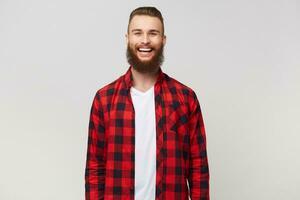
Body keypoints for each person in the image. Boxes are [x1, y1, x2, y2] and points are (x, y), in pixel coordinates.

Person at [85, 6, 209, 200]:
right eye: (137, 33)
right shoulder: (105, 99)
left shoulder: (185, 99)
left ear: (163, 40)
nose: (145, 40)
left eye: (153, 33)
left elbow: (198, 167)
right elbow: (95, 168)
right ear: (127, 38)